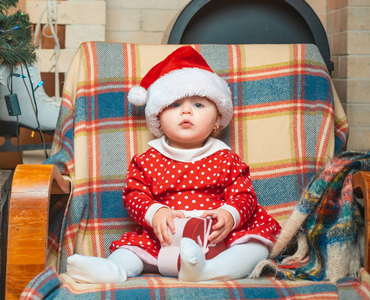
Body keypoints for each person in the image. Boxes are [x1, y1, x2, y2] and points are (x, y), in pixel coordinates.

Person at [67, 46, 281, 283]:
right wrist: (156, 212)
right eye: (175, 105)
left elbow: (244, 195)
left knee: (255, 244)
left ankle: (208, 271)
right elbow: (134, 195)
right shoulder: (146, 160)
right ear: (157, 117)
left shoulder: (226, 159)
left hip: (216, 236)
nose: (187, 110)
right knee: (132, 248)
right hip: (165, 237)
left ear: (218, 119)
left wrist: (229, 215)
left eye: (199, 105)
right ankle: (114, 270)